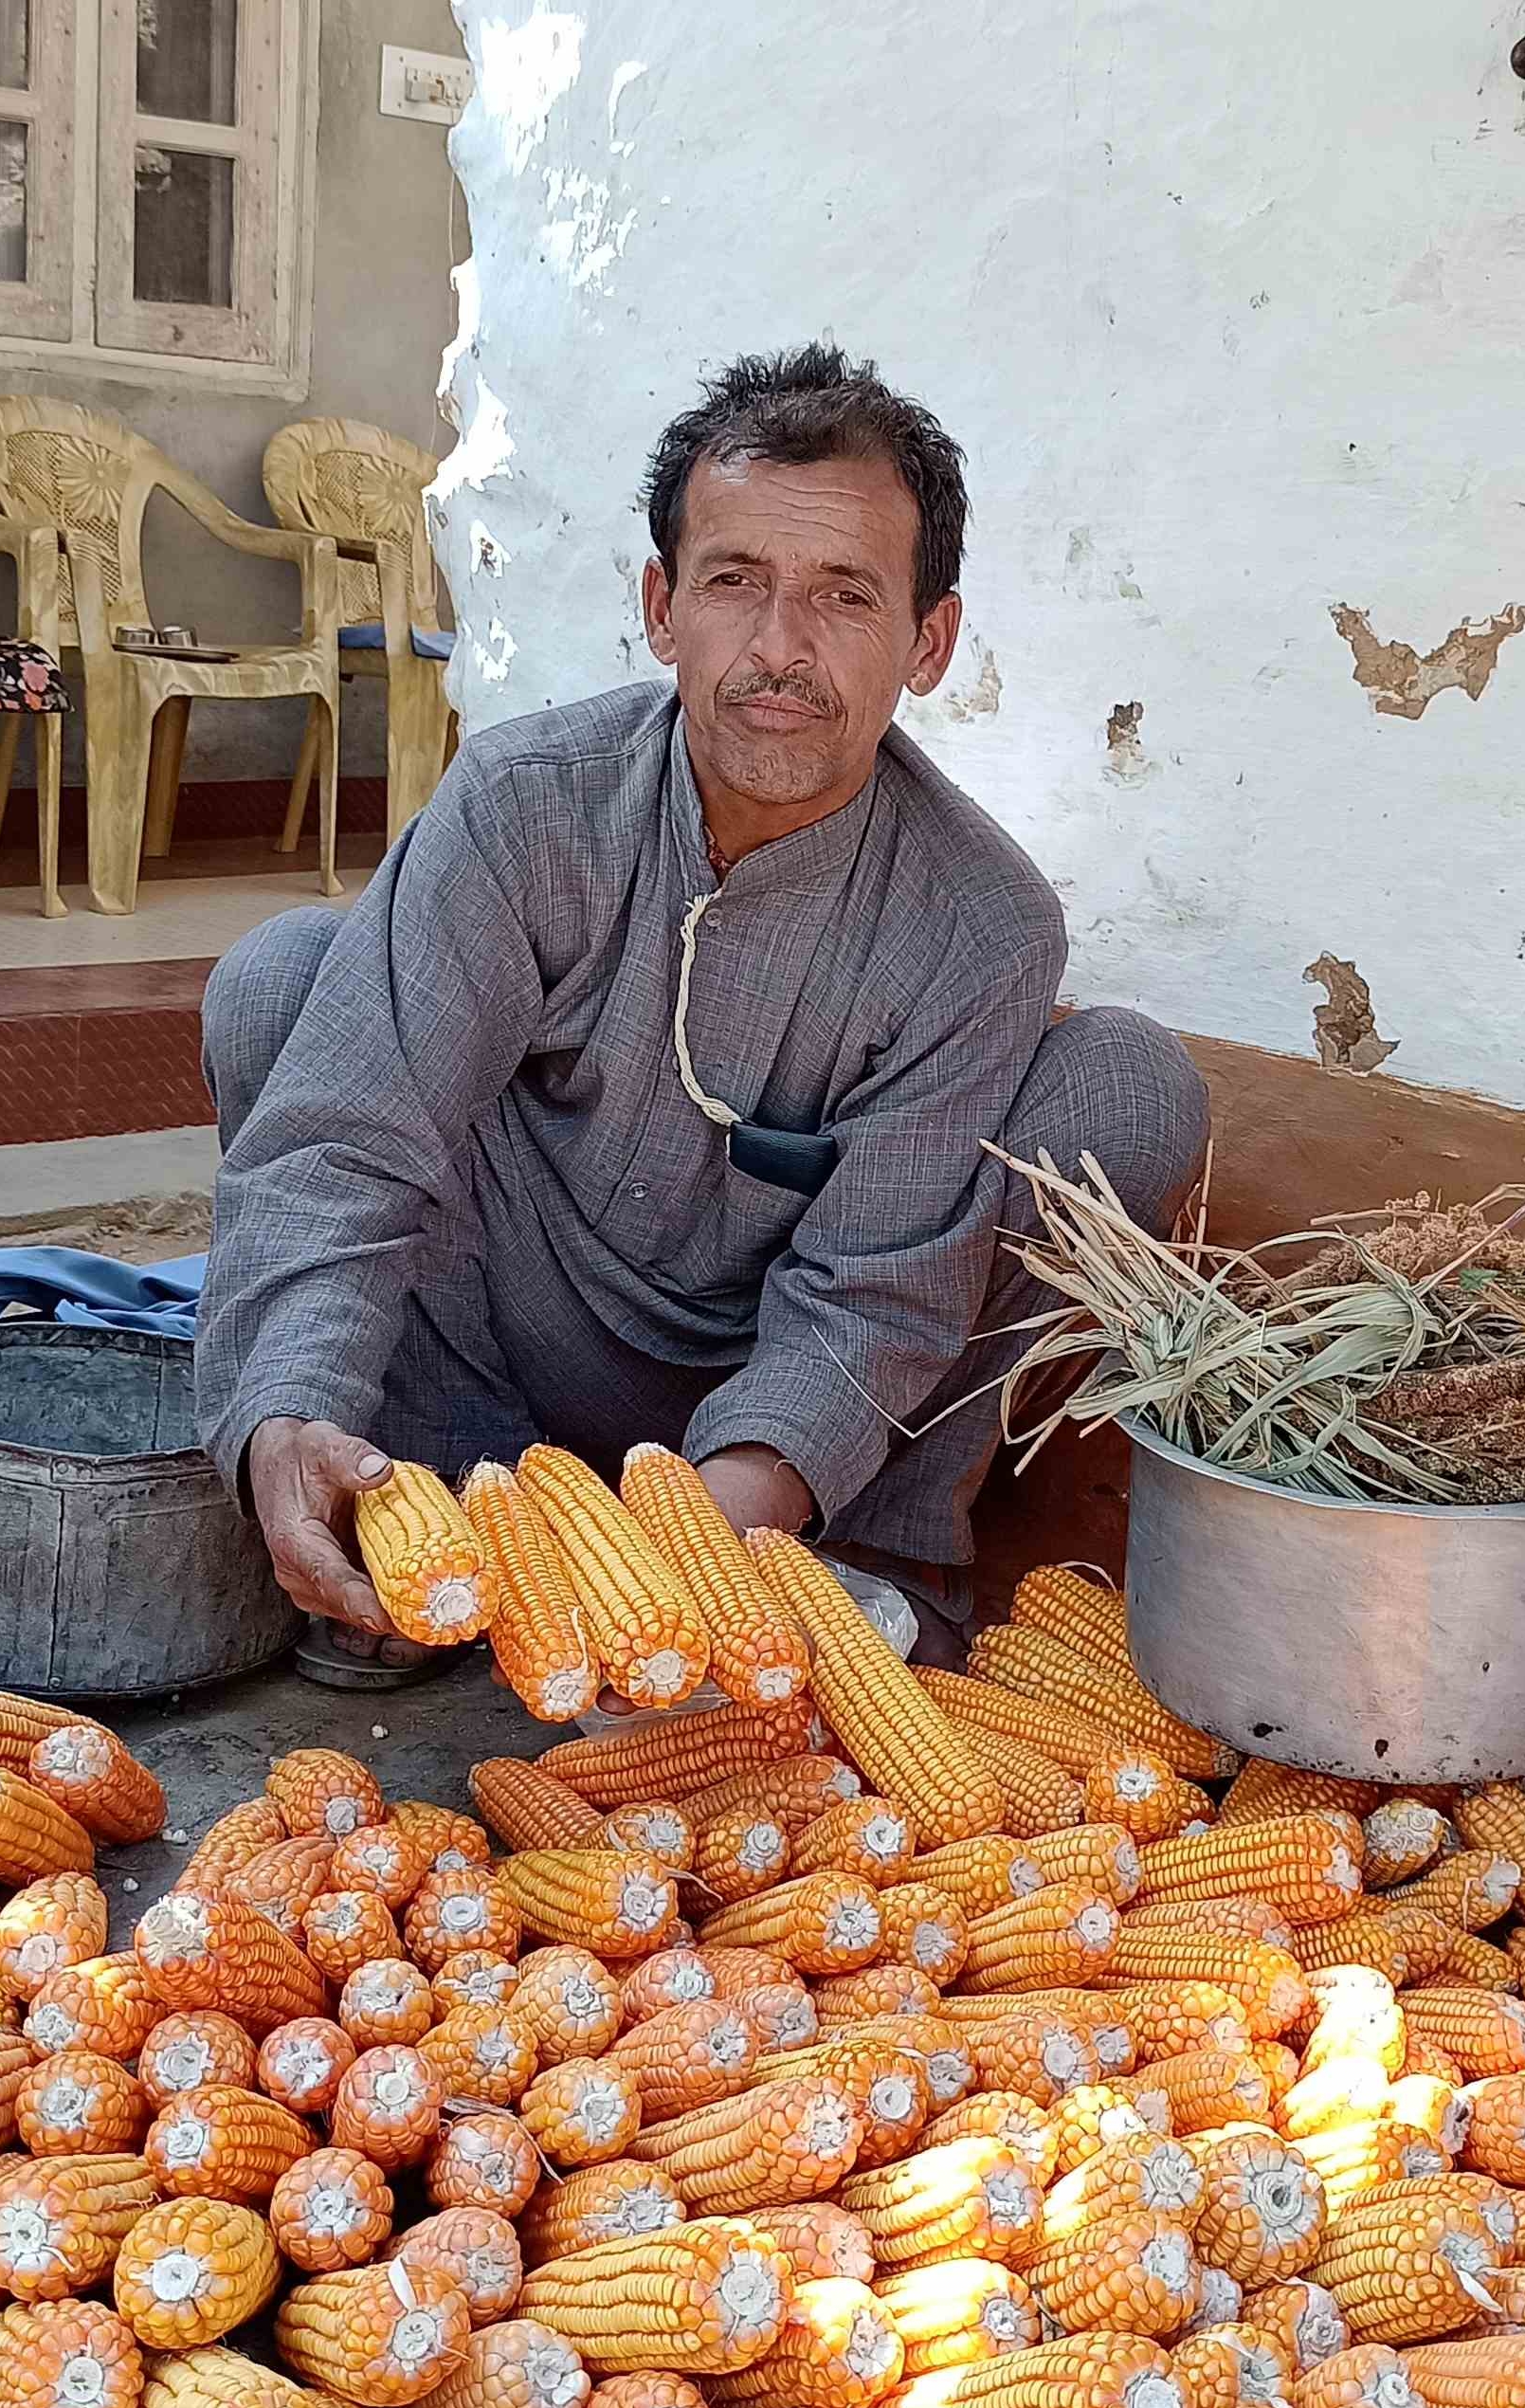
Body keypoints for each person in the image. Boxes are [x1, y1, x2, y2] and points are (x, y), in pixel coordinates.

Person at [194, 343, 1209, 1682]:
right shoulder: (521, 805)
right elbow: (345, 1140)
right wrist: (286, 1420)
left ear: (929, 642)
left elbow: (877, 1291)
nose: (779, 648)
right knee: (284, 979)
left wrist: (698, 1555)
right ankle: (414, 1524)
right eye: (737, 583)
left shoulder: (980, 919)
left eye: (845, 597)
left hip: (788, 1414)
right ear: (664, 607)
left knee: (1130, 1087)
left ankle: (866, 1571)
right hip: (506, 1322)